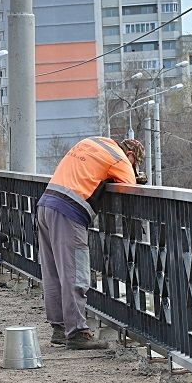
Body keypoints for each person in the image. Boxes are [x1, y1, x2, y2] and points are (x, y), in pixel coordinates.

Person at [38, 137, 145, 350]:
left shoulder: (93, 143)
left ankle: (59, 328)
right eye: (134, 163)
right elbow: (129, 185)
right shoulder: (120, 159)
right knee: (74, 274)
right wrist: (134, 176)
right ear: (131, 156)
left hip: (45, 204)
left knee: (53, 273)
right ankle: (77, 332)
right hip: (69, 212)